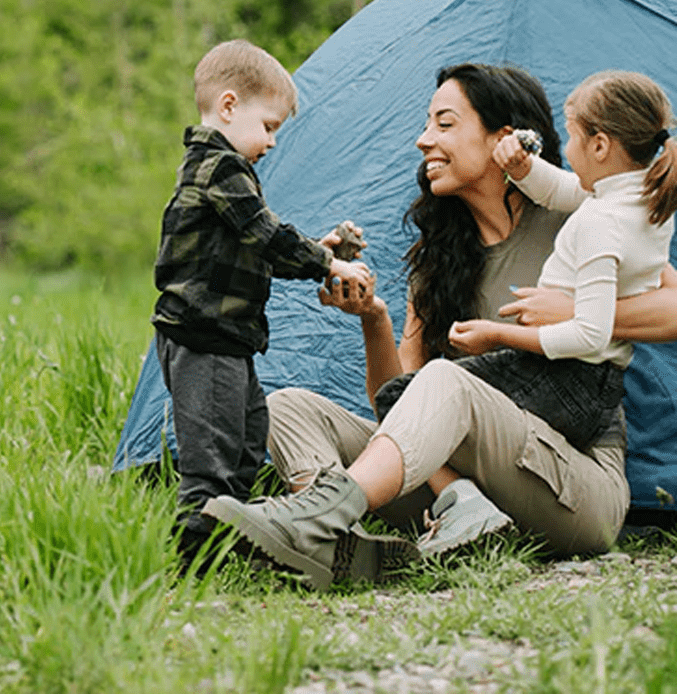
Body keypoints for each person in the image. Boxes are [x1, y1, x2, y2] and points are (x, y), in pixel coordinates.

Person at [216, 64, 677, 589]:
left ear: (504, 139)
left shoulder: (579, 214)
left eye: (444, 123)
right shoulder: (440, 263)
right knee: (290, 407)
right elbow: (398, 404)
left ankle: (315, 521)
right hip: (468, 486)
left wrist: (572, 313)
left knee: (447, 380)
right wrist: (374, 321)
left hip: (573, 486)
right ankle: (332, 543)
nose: (423, 139)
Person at [152, 40, 374, 567]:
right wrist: (330, 267)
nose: (272, 142)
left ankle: (234, 540)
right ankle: (193, 562)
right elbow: (264, 232)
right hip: (202, 336)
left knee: (249, 439)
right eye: (269, 126)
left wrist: (317, 252)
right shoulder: (217, 167)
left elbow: (258, 247)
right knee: (211, 457)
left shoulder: (228, 171)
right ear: (228, 107)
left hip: (230, 338)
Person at [447, 70, 677, 445]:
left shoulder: (603, 218)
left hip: (567, 371)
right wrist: (523, 169)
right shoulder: (637, 203)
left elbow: (590, 332)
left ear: (600, 146)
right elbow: (562, 190)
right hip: (592, 376)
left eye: (571, 135)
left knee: (425, 398)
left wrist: (498, 333)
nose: (568, 150)